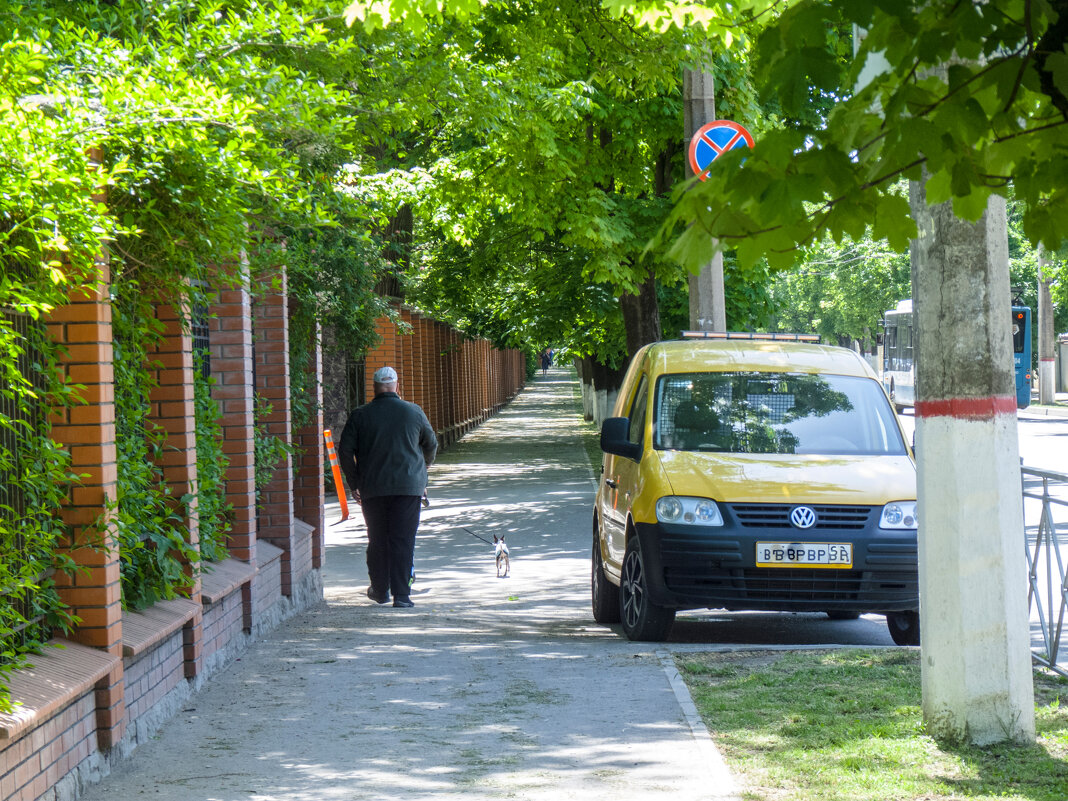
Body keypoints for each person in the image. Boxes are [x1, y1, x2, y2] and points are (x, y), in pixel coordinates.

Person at [338, 366, 437, 608]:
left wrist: (355, 482)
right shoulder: (413, 412)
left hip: (373, 487)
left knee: (378, 538)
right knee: (403, 540)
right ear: (397, 386)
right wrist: (421, 472)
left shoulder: (360, 415)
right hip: (408, 488)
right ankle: (402, 596)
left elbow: (345, 450)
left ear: (373, 388)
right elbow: (431, 444)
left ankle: (380, 590)